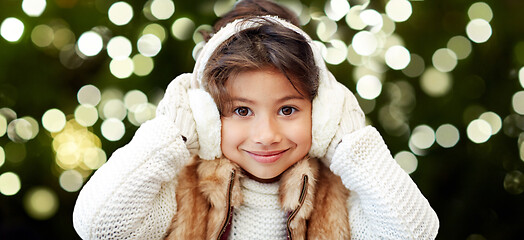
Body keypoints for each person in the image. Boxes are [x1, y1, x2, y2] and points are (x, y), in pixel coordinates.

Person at [73, 0, 439, 239]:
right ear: (205, 117)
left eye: (288, 109)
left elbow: (415, 233)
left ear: (323, 111)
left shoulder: (342, 193)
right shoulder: (180, 188)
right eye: (242, 111)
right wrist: (170, 135)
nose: (266, 135)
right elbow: (100, 227)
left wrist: (353, 145)